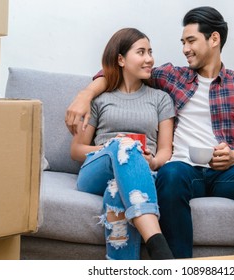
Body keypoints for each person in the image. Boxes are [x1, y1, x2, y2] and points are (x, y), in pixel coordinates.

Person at [66, 7, 234, 259]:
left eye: (191, 41)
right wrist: (85, 94)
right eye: (183, 42)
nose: (185, 49)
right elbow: (117, 71)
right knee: (169, 174)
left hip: (228, 172)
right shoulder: (174, 77)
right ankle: (175, 266)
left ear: (214, 39)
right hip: (183, 170)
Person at [70, 27, 175, 260]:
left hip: (141, 173)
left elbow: (165, 149)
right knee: (123, 146)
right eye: (141, 52)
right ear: (121, 59)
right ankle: (158, 244)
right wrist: (112, 147)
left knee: (116, 189)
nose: (149, 59)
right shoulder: (100, 99)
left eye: (150, 51)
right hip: (96, 170)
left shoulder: (161, 99)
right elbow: (77, 151)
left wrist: (153, 161)